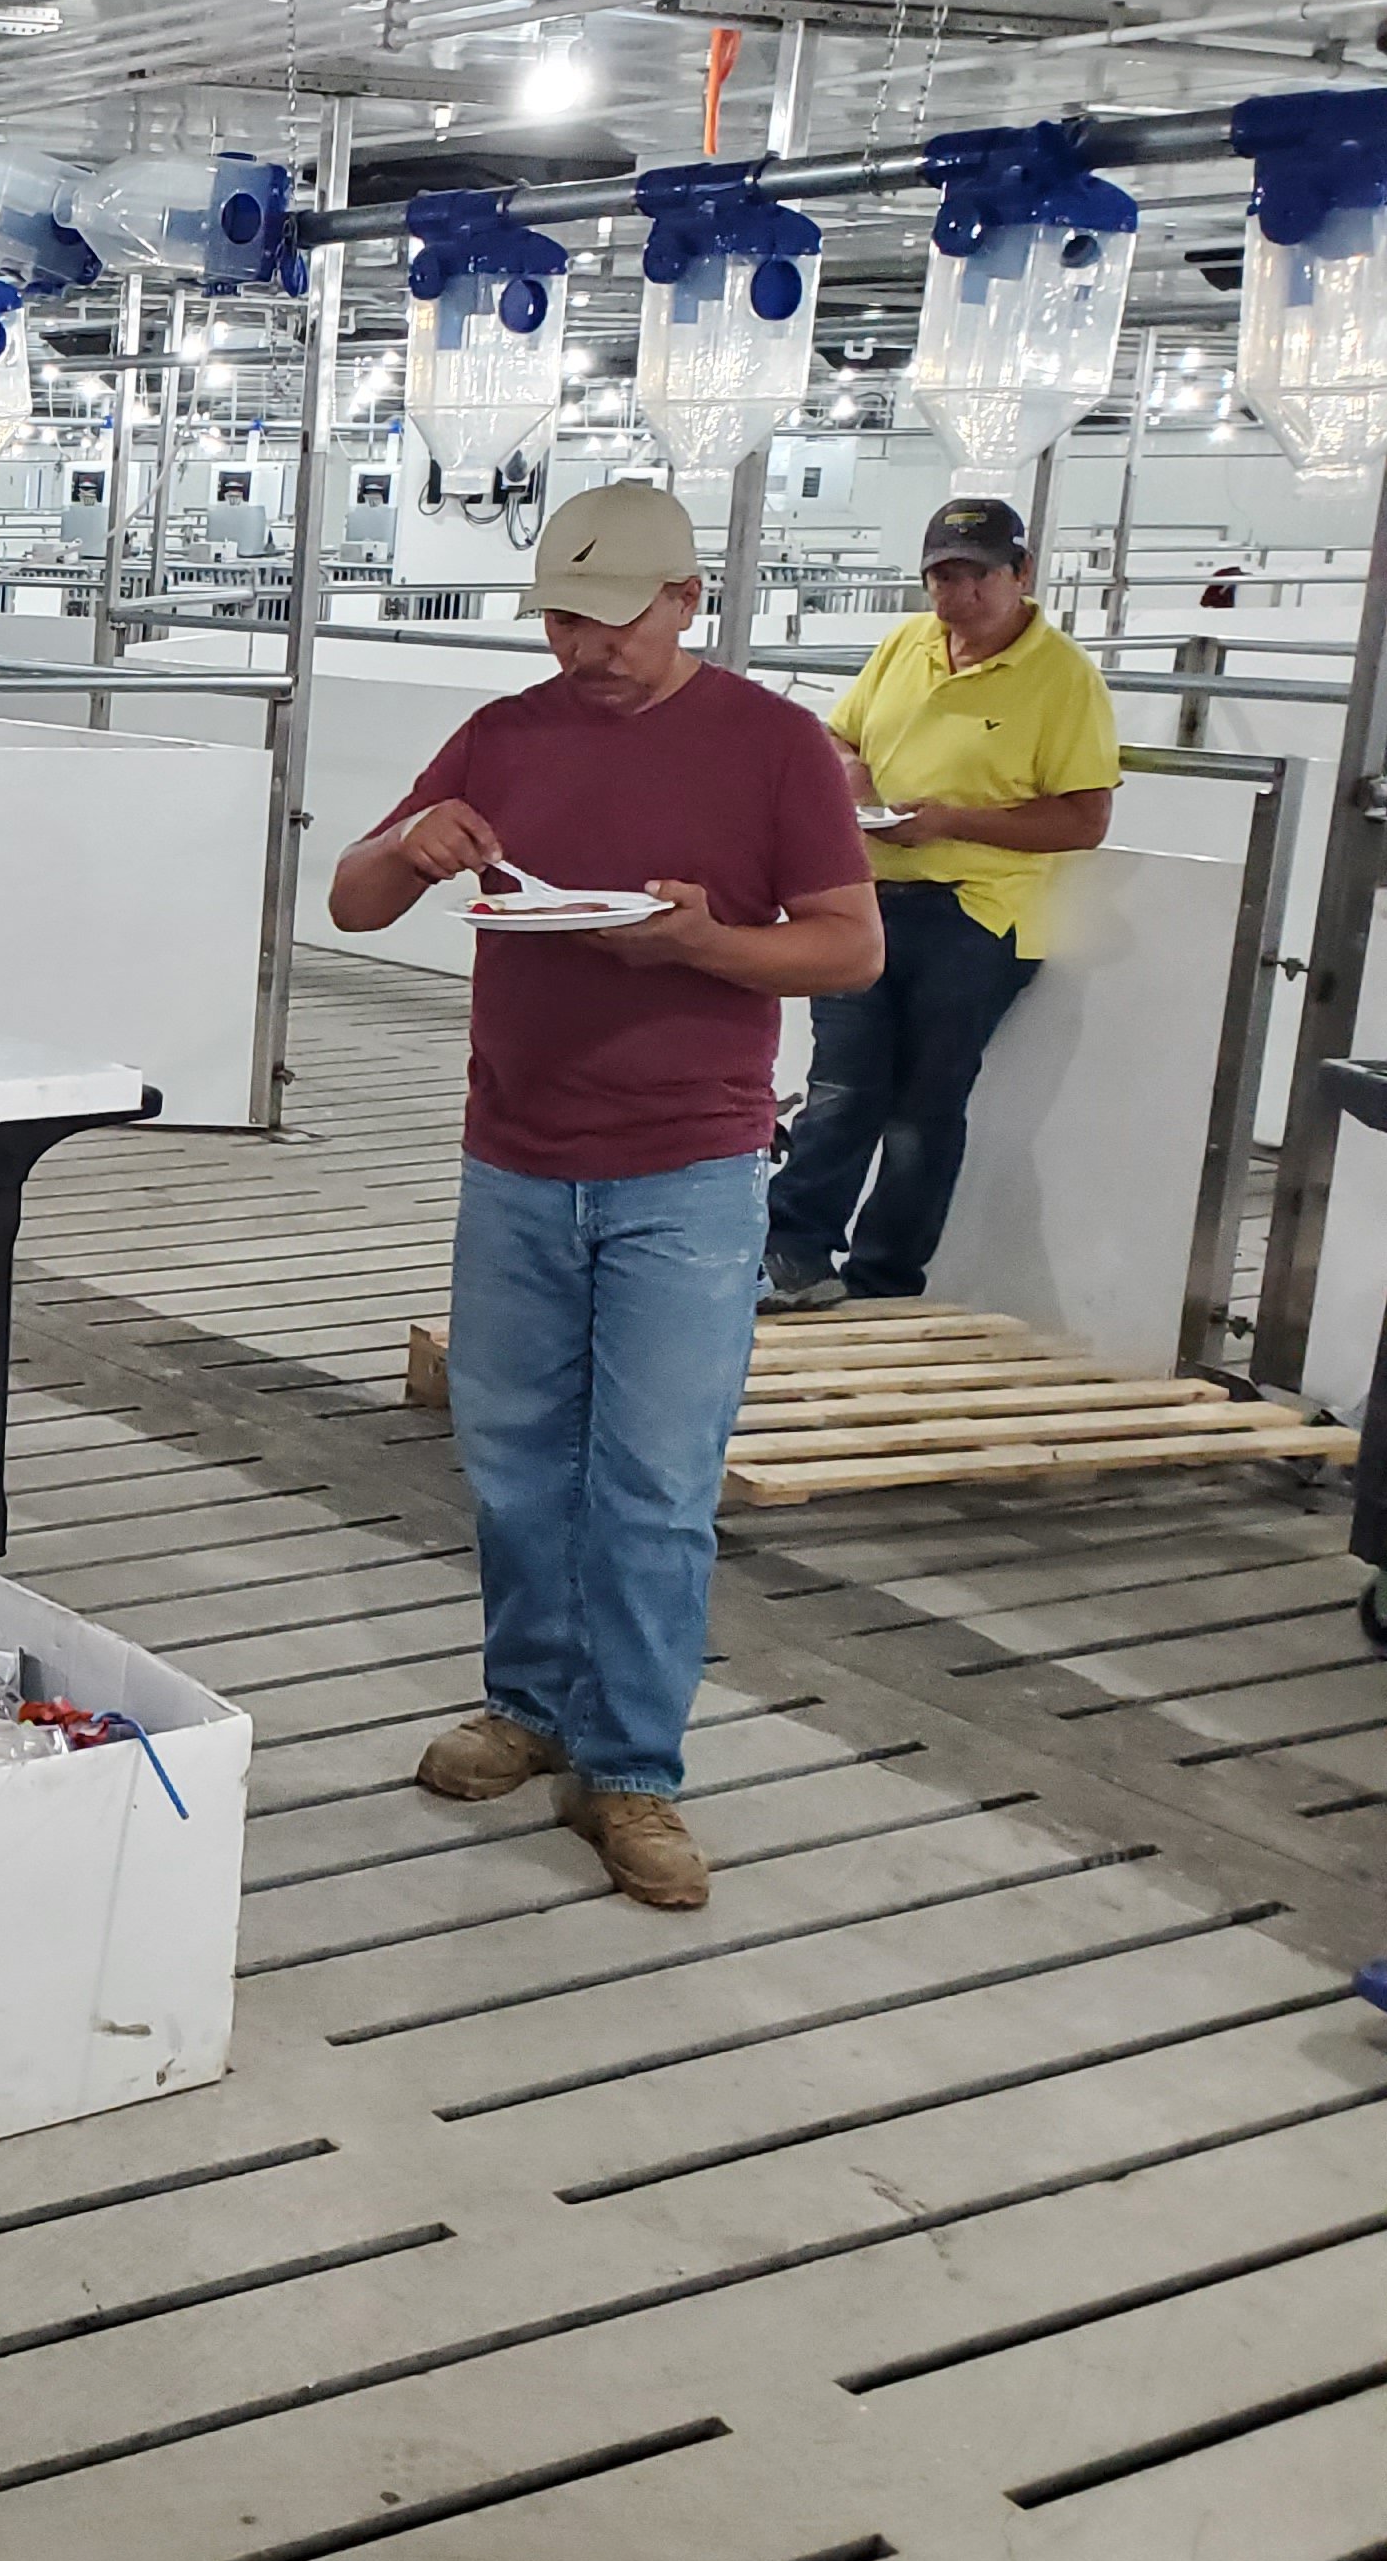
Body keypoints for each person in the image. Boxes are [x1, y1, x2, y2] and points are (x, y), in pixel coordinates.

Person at [327, 483, 880, 1911]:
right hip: (515, 1158)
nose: (582, 647)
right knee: (515, 1461)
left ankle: (633, 1768)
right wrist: (411, 842)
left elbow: (847, 950)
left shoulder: (778, 748)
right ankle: (531, 1704)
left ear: (685, 600)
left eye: (611, 619)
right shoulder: (505, 735)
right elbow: (352, 902)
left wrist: (705, 944)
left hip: (688, 1168)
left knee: (652, 1483)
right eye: (562, 618)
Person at [763, 497, 1122, 1308]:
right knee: (841, 1087)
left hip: (977, 911)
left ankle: (886, 1278)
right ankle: (793, 1255)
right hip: (870, 894)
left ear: (1021, 575)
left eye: (974, 577)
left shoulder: (1063, 677)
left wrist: (953, 822)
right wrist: (849, 774)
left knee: (926, 1103)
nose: (955, 597)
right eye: (940, 577)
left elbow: (1084, 817)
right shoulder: (906, 644)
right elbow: (839, 732)